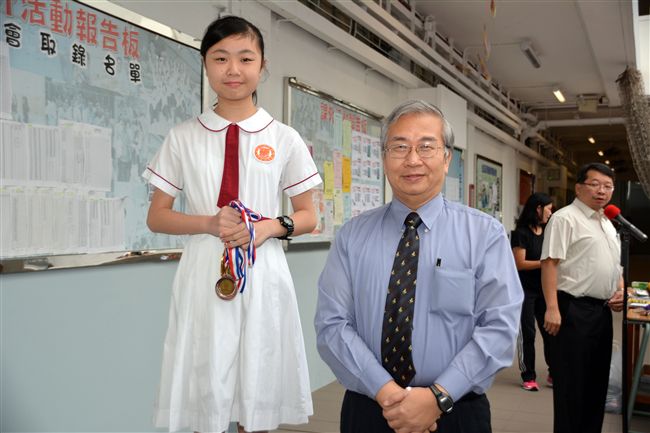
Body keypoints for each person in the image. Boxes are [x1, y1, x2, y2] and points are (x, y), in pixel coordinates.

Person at [143, 16, 322, 433]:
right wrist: (209, 222)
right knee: (204, 371)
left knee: (258, 374)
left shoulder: (284, 138)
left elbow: (309, 215)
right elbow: (157, 216)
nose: (233, 70)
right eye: (220, 58)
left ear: (262, 66)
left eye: (245, 58)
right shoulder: (183, 136)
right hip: (204, 270)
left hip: (264, 269)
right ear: (206, 64)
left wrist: (269, 227)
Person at [315, 100, 523, 433]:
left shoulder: (485, 235)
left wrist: (437, 397)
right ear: (384, 157)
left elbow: (499, 327)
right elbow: (332, 324)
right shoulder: (352, 236)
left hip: (455, 411)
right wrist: (387, 393)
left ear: (447, 157)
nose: (412, 159)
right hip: (370, 409)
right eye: (399, 147)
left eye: (426, 147)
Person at [541, 162, 624, 433]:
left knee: (596, 385)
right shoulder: (565, 218)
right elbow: (550, 263)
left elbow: (615, 265)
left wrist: (619, 289)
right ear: (578, 188)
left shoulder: (607, 223)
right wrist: (552, 308)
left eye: (608, 186)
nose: (602, 191)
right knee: (572, 388)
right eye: (595, 184)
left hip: (601, 312)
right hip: (572, 309)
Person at [511, 192, 553, 391]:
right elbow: (519, 263)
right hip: (524, 292)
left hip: (545, 289)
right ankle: (528, 375)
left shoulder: (548, 232)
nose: (550, 213)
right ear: (538, 209)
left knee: (550, 332)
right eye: (549, 209)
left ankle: (554, 372)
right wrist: (545, 263)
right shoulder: (520, 233)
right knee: (528, 334)